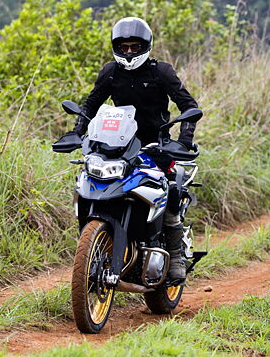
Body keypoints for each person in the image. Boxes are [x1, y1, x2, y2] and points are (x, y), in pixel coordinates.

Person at [62, 17, 200, 281]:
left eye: (134, 46)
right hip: (117, 143)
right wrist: (76, 133)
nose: (128, 52)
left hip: (156, 145)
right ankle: (99, 248)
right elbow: (91, 105)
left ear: (145, 46)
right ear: (115, 47)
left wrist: (183, 140)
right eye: (123, 47)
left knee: (170, 192)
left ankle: (176, 256)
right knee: (95, 181)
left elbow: (188, 106)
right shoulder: (110, 72)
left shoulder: (161, 72)